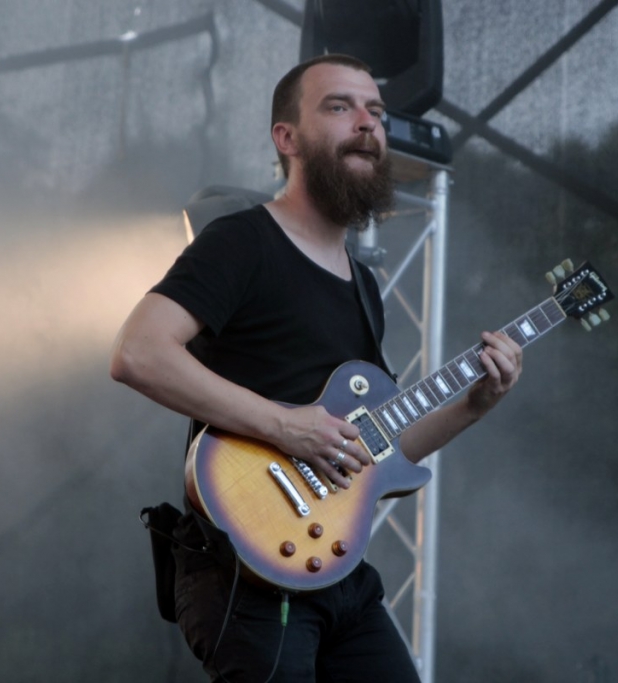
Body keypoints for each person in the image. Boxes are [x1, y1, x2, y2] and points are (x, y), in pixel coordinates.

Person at [110, 54, 523, 682]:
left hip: (337, 573)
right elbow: (138, 352)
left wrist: (474, 405)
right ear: (287, 138)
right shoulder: (242, 241)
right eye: (339, 106)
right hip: (245, 574)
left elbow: (376, 450)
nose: (367, 123)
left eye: (376, 111)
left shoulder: (364, 284)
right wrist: (285, 426)